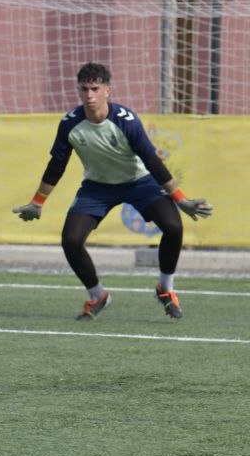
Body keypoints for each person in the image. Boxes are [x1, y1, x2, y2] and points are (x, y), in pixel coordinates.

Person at [12, 62, 213, 321]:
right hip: (97, 187)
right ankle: (98, 296)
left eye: (95, 89)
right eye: (84, 89)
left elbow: (151, 161)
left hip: (140, 182)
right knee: (71, 240)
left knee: (173, 227)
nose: (89, 95)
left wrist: (181, 200)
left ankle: (165, 289)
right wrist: (37, 202)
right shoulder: (70, 123)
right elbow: (56, 165)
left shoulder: (126, 120)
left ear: (108, 90)